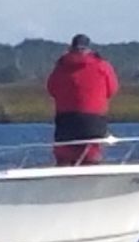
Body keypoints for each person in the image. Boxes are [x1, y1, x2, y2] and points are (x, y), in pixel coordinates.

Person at [46, 34, 119, 166]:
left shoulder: (61, 66)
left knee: (64, 156)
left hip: (66, 120)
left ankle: (62, 180)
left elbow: (51, 89)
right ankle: (92, 180)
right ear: (89, 49)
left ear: (71, 48)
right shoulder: (102, 66)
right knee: (91, 156)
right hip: (94, 120)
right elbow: (112, 89)